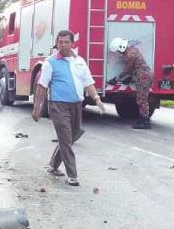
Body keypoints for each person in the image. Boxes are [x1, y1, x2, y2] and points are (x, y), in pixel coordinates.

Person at [32, 30, 105, 186]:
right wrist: (37, 107)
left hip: (76, 105)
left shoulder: (79, 61)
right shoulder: (50, 62)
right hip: (58, 105)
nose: (63, 45)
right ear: (57, 43)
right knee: (65, 138)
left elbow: (88, 82)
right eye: (60, 42)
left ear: (72, 43)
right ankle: (72, 175)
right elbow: (41, 86)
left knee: (71, 137)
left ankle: (52, 165)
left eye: (66, 42)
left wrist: (97, 99)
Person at [108, 37, 154, 129]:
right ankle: (143, 119)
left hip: (143, 77)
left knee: (142, 99)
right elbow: (134, 67)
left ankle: (145, 122)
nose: (118, 53)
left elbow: (127, 70)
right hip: (145, 75)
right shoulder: (133, 50)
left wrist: (116, 79)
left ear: (121, 48)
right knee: (142, 99)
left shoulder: (129, 55)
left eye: (118, 51)